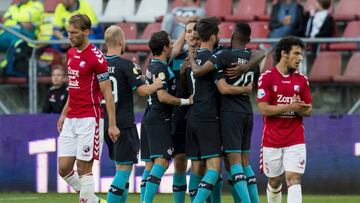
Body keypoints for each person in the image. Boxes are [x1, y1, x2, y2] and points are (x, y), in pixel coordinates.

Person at [189, 22, 265, 203]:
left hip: (230, 114)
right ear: (248, 40)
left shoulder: (224, 55)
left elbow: (201, 72)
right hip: (248, 111)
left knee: (234, 163)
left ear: (232, 37)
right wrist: (245, 69)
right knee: (245, 164)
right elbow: (260, 57)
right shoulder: (251, 60)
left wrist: (191, 57)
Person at [56, 14, 119, 203]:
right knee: (64, 168)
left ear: (86, 32)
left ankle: (87, 200)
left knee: (84, 169)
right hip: (71, 118)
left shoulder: (97, 58)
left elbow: (108, 94)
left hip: (89, 118)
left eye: (74, 33)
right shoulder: (70, 53)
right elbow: (74, 88)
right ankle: (93, 200)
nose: (70, 36)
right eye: (68, 32)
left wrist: (112, 125)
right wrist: (63, 114)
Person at [102, 25, 163, 203]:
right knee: (124, 171)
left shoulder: (100, 65)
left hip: (106, 123)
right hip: (124, 124)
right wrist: (156, 84)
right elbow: (143, 91)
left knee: (120, 168)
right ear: (121, 41)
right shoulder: (127, 65)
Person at [256, 36, 312, 203]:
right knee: (274, 181)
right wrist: (291, 107)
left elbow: (308, 110)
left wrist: (302, 108)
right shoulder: (266, 78)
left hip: (295, 138)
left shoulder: (302, 80)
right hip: (271, 139)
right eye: (296, 53)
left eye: (301, 54)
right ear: (284, 54)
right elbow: (264, 109)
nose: (300, 58)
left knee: (294, 178)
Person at [140, 31, 193, 203]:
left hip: (151, 116)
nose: (172, 46)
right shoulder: (161, 68)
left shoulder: (154, 63)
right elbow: (162, 96)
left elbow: (176, 49)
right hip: (160, 118)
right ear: (164, 48)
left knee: (152, 164)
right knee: (161, 163)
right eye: (169, 44)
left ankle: (144, 200)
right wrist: (185, 101)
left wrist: (185, 32)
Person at [0, 0, 44, 75]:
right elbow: (4, 20)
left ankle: (7, 66)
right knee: (15, 40)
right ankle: (6, 65)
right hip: (6, 33)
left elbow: (28, 18)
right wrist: (19, 22)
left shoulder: (37, 5)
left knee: (17, 41)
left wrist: (12, 17)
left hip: (26, 34)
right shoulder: (13, 7)